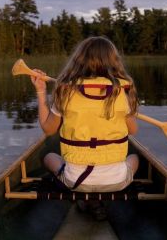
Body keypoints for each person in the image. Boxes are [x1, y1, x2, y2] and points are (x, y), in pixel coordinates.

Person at [30, 36, 139, 205]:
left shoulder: (65, 92)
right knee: (134, 158)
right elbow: (132, 130)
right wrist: (128, 111)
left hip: (76, 181)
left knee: (48, 156)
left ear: (78, 61)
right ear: (114, 62)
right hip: (117, 181)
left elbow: (48, 129)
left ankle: (80, 195)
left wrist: (41, 92)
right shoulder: (123, 93)